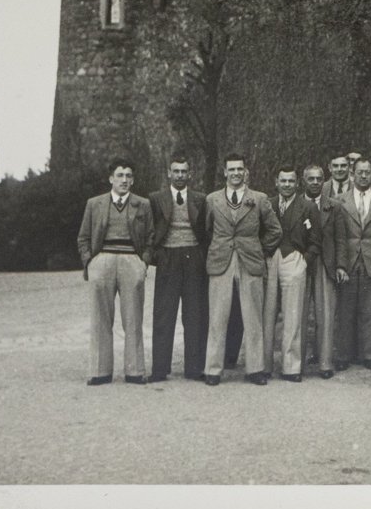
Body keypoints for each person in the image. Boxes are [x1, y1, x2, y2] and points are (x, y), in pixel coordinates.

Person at [203, 153, 282, 386]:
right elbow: (205, 230)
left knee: (253, 316)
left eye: (240, 169)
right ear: (225, 172)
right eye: (231, 169)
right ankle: (213, 370)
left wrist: (259, 248)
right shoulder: (212, 200)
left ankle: (255, 369)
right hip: (222, 260)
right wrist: (218, 247)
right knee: (217, 316)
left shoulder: (259, 199)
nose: (236, 173)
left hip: (250, 260)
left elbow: (275, 230)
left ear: (245, 172)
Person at [76, 158, 155, 385]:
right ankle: (101, 371)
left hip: (132, 259)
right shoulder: (95, 204)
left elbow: (150, 237)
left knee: (133, 317)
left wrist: (144, 263)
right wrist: (90, 262)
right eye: (120, 175)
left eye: (129, 176)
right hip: (103, 260)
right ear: (111, 178)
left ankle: (135, 371)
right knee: (101, 317)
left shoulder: (143, 204)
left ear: (133, 180)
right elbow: (83, 237)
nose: (124, 180)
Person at [147, 155, 210, 382]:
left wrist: (201, 256)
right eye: (176, 171)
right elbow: (151, 230)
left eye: (184, 171)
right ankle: (159, 369)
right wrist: (158, 255)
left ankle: (194, 368)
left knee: (195, 314)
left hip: (193, 257)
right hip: (168, 257)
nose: (180, 175)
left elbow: (206, 231)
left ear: (190, 174)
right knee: (164, 314)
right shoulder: (156, 199)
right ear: (169, 173)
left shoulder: (201, 200)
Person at [262, 167, 322, 382]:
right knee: (267, 314)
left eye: (291, 181)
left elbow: (316, 240)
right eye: (283, 181)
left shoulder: (307, 207)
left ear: (297, 184)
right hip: (270, 259)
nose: (287, 185)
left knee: (293, 315)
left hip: (294, 258)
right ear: (276, 182)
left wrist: (304, 261)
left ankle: (291, 367)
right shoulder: (267, 204)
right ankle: (264, 365)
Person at [330, 158, 371, 370]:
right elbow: (335, 235)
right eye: (359, 172)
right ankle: (343, 356)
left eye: (368, 172)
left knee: (370, 310)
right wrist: (340, 264)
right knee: (345, 311)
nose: (363, 176)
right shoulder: (338, 201)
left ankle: (368, 355)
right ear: (352, 175)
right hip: (348, 261)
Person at [301, 165, 341, 379]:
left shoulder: (333, 206)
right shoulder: (296, 204)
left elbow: (341, 238)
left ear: (323, 181)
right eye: (311, 179)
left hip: (326, 263)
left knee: (325, 314)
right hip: (303, 262)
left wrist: (340, 265)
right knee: (299, 313)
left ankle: (325, 363)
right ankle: (297, 362)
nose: (315, 182)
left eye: (319, 179)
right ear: (304, 181)